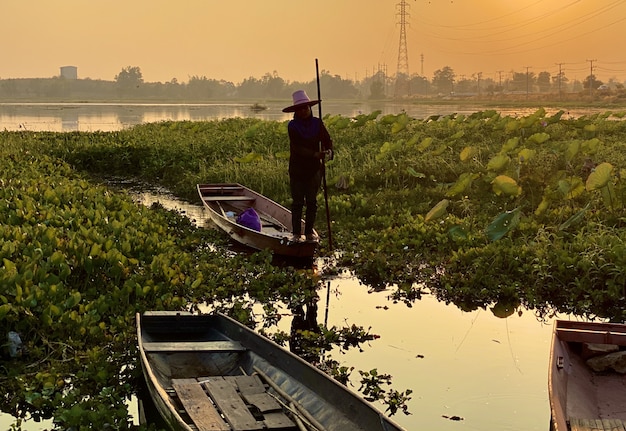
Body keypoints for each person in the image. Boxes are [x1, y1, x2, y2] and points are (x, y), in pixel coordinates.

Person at [282, 90, 333, 242]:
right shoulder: (293, 126)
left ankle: (309, 232)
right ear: (296, 111)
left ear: (310, 108)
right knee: (298, 202)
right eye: (300, 109)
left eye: (306, 108)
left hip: (314, 170)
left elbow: (327, 140)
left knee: (312, 202)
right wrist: (314, 154)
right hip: (297, 169)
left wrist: (329, 150)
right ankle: (297, 233)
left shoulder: (318, 123)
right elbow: (297, 148)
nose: (304, 111)